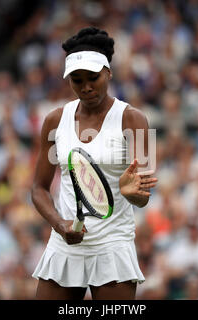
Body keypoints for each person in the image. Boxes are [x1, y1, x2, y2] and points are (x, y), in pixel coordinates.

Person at [31, 27, 158, 300]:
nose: (86, 87)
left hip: (112, 247)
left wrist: (131, 192)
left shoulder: (135, 120)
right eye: (77, 80)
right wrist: (59, 223)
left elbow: (144, 195)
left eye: (94, 77)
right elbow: (38, 189)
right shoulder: (54, 120)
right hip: (65, 244)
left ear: (109, 73)